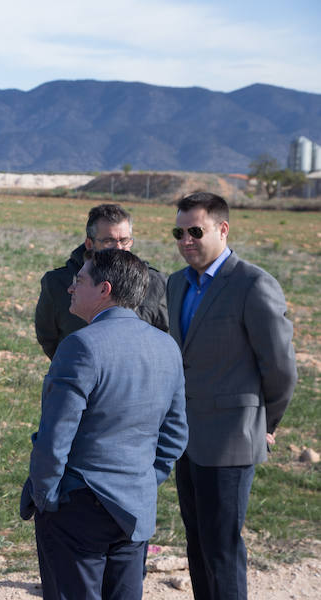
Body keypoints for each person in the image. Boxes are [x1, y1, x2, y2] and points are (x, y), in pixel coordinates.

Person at [20, 249, 188, 600]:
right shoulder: (166, 347)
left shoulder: (80, 345)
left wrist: (45, 495)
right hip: (135, 508)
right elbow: (174, 436)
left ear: (104, 289)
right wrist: (142, 479)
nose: (70, 288)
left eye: (79, 280)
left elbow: (55, 437)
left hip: (78, 505)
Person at [167, 192, 297, 600]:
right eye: (179, 232)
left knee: (222, 550)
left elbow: (280, 368)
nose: (186, 240)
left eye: (195, 231)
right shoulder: (175, 284)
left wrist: (264, 423)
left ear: (223, 230)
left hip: (231, 440)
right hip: (185, 440)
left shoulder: (253, 284)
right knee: (197, 544)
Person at [35, 203, 168, 359]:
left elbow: (164, 336)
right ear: (90, 244)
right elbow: (48, 338)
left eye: (125, 241)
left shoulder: (154, 282)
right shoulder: (58, 283)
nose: (119, 248)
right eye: (109, 241)